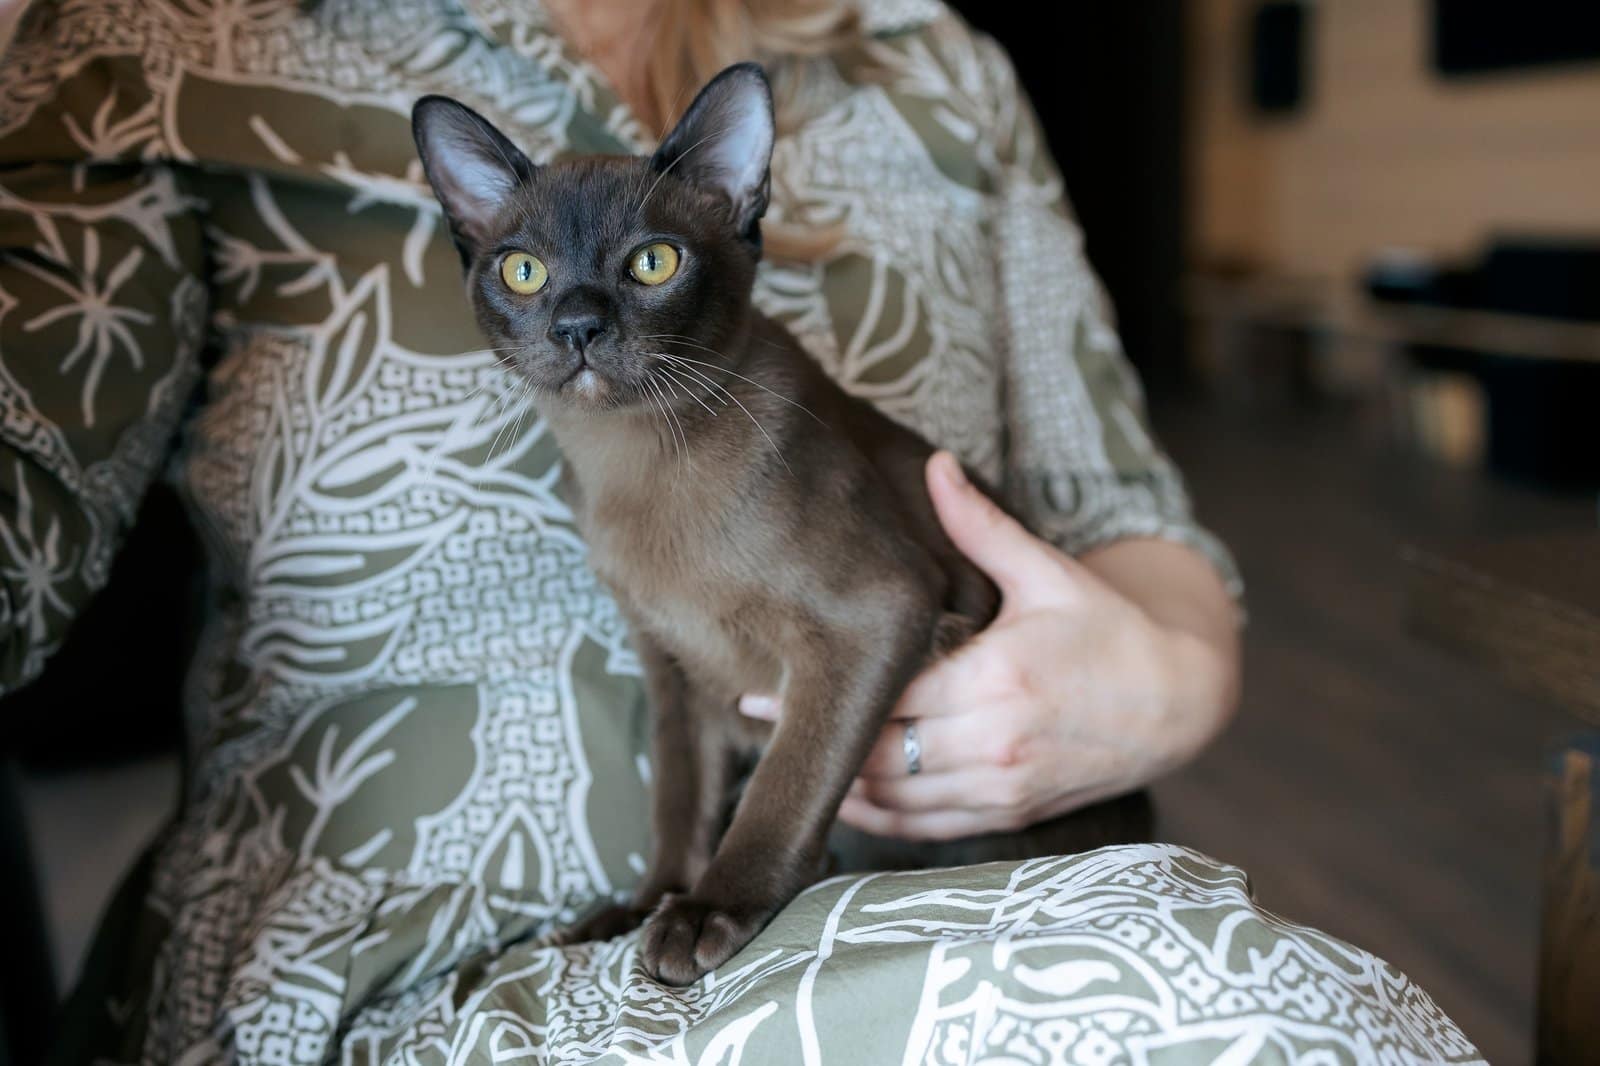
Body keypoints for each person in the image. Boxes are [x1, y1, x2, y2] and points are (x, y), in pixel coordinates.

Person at [0, 1, 1478, 1063]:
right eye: (517, 274)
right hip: (384, 982)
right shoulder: (169, 44)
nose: (577, 313)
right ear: (476, 244)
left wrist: (1167, 682)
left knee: (1272, 1023)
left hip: (934, 910)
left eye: (647, 263)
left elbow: (1127, 515)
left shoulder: (931, 65)